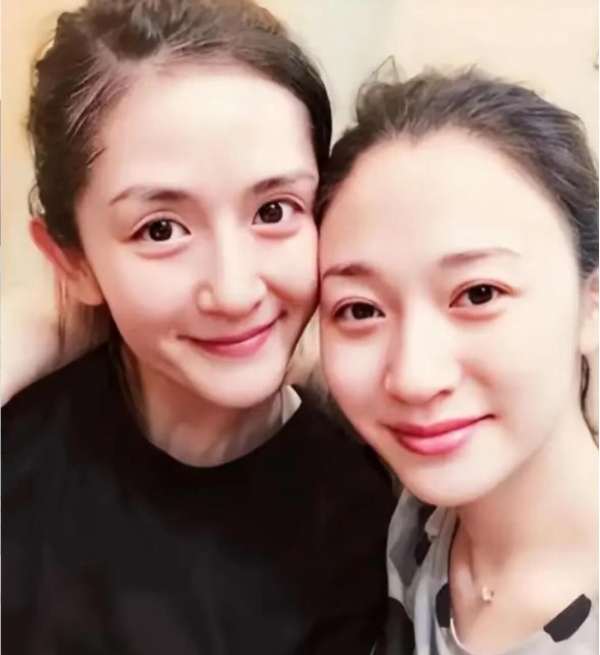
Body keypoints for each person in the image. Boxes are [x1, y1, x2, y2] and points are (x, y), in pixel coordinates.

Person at [1, 1, 396, 653]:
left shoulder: (361, 517)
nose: (235, 291)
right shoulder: (18, 447)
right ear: (72, 261)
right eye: (161, 229)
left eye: (274, 210)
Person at [317, 69, 598, 653]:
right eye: (361, 309)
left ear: (591, 303)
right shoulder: (394, 520)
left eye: (479, 294)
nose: (414, 378)